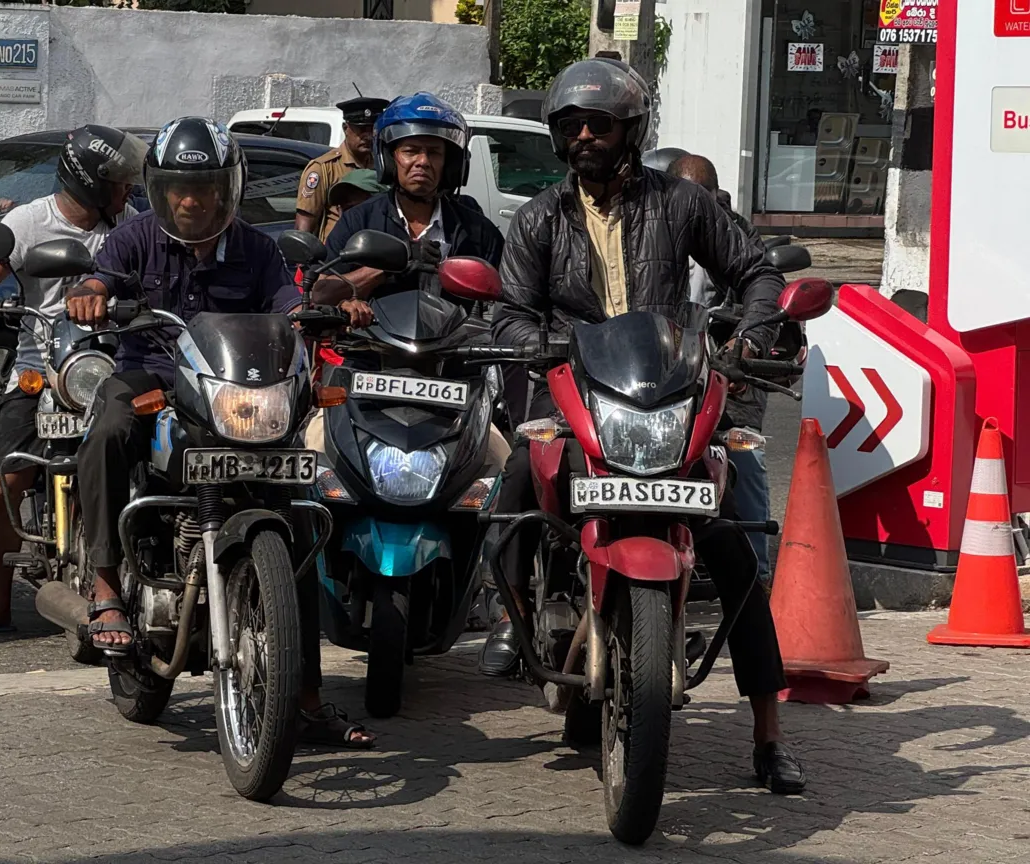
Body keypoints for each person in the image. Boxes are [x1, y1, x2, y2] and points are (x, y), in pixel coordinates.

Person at [478, 58, 806, 794]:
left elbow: (757, 271)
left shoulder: (683, 204)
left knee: (738, 547)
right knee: (510, 489)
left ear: (632, 130)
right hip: (573, 398)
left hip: (667, 399)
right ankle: (513, 616)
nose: (586, 135)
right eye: (572, 126)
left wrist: (752, 334)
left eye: (601, 124)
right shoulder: (536, 219)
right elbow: (508, 309)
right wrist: (531, 342)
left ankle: (768, 735)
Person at [67, 116, 374, 749]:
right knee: (108, 427)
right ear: (159, 189)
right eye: (179, 187)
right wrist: (92, 293)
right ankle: (104, 581)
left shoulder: (259, 250)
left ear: (225, 189)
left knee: (295, 521)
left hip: (233, 395)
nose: (190, 198)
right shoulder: (132, 240)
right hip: (152, 382)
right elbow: (99, 278)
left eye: (204, 187)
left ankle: (308, 700)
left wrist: (316, 309)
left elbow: (289, 301)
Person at [0, 125, 146, 636]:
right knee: (2, 489)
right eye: (120, 182)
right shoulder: (30, 222)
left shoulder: (132, 227)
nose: (128, 191)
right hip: (40, 369)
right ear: (90, 182)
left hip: (109, 368)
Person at [311, 92, 505, 328]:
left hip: (454, 356)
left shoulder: (477, 231)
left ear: (451, 164)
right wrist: (390, 266)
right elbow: (321, 294)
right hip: (373, 356)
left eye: (433, 152)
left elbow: (508, 303)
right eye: (411, 151)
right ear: (389, 159)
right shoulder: (359, 220)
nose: (422, 161)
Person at [667, 152, 773, 582]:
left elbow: (762, 289)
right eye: (685, 202)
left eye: (703, 202)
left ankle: (757, 573)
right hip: (661, 364)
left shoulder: (738, 235)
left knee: (744, 455)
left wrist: (744, 343)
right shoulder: (646, 231)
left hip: (726, 367)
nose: (694, 213)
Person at [294, 96, 390, 243]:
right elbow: (304, 228)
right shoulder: (323, 168)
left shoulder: (383, 164)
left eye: (372, 129)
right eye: (361, 129)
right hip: (336, 257)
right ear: (346, 129)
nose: (368, 136)